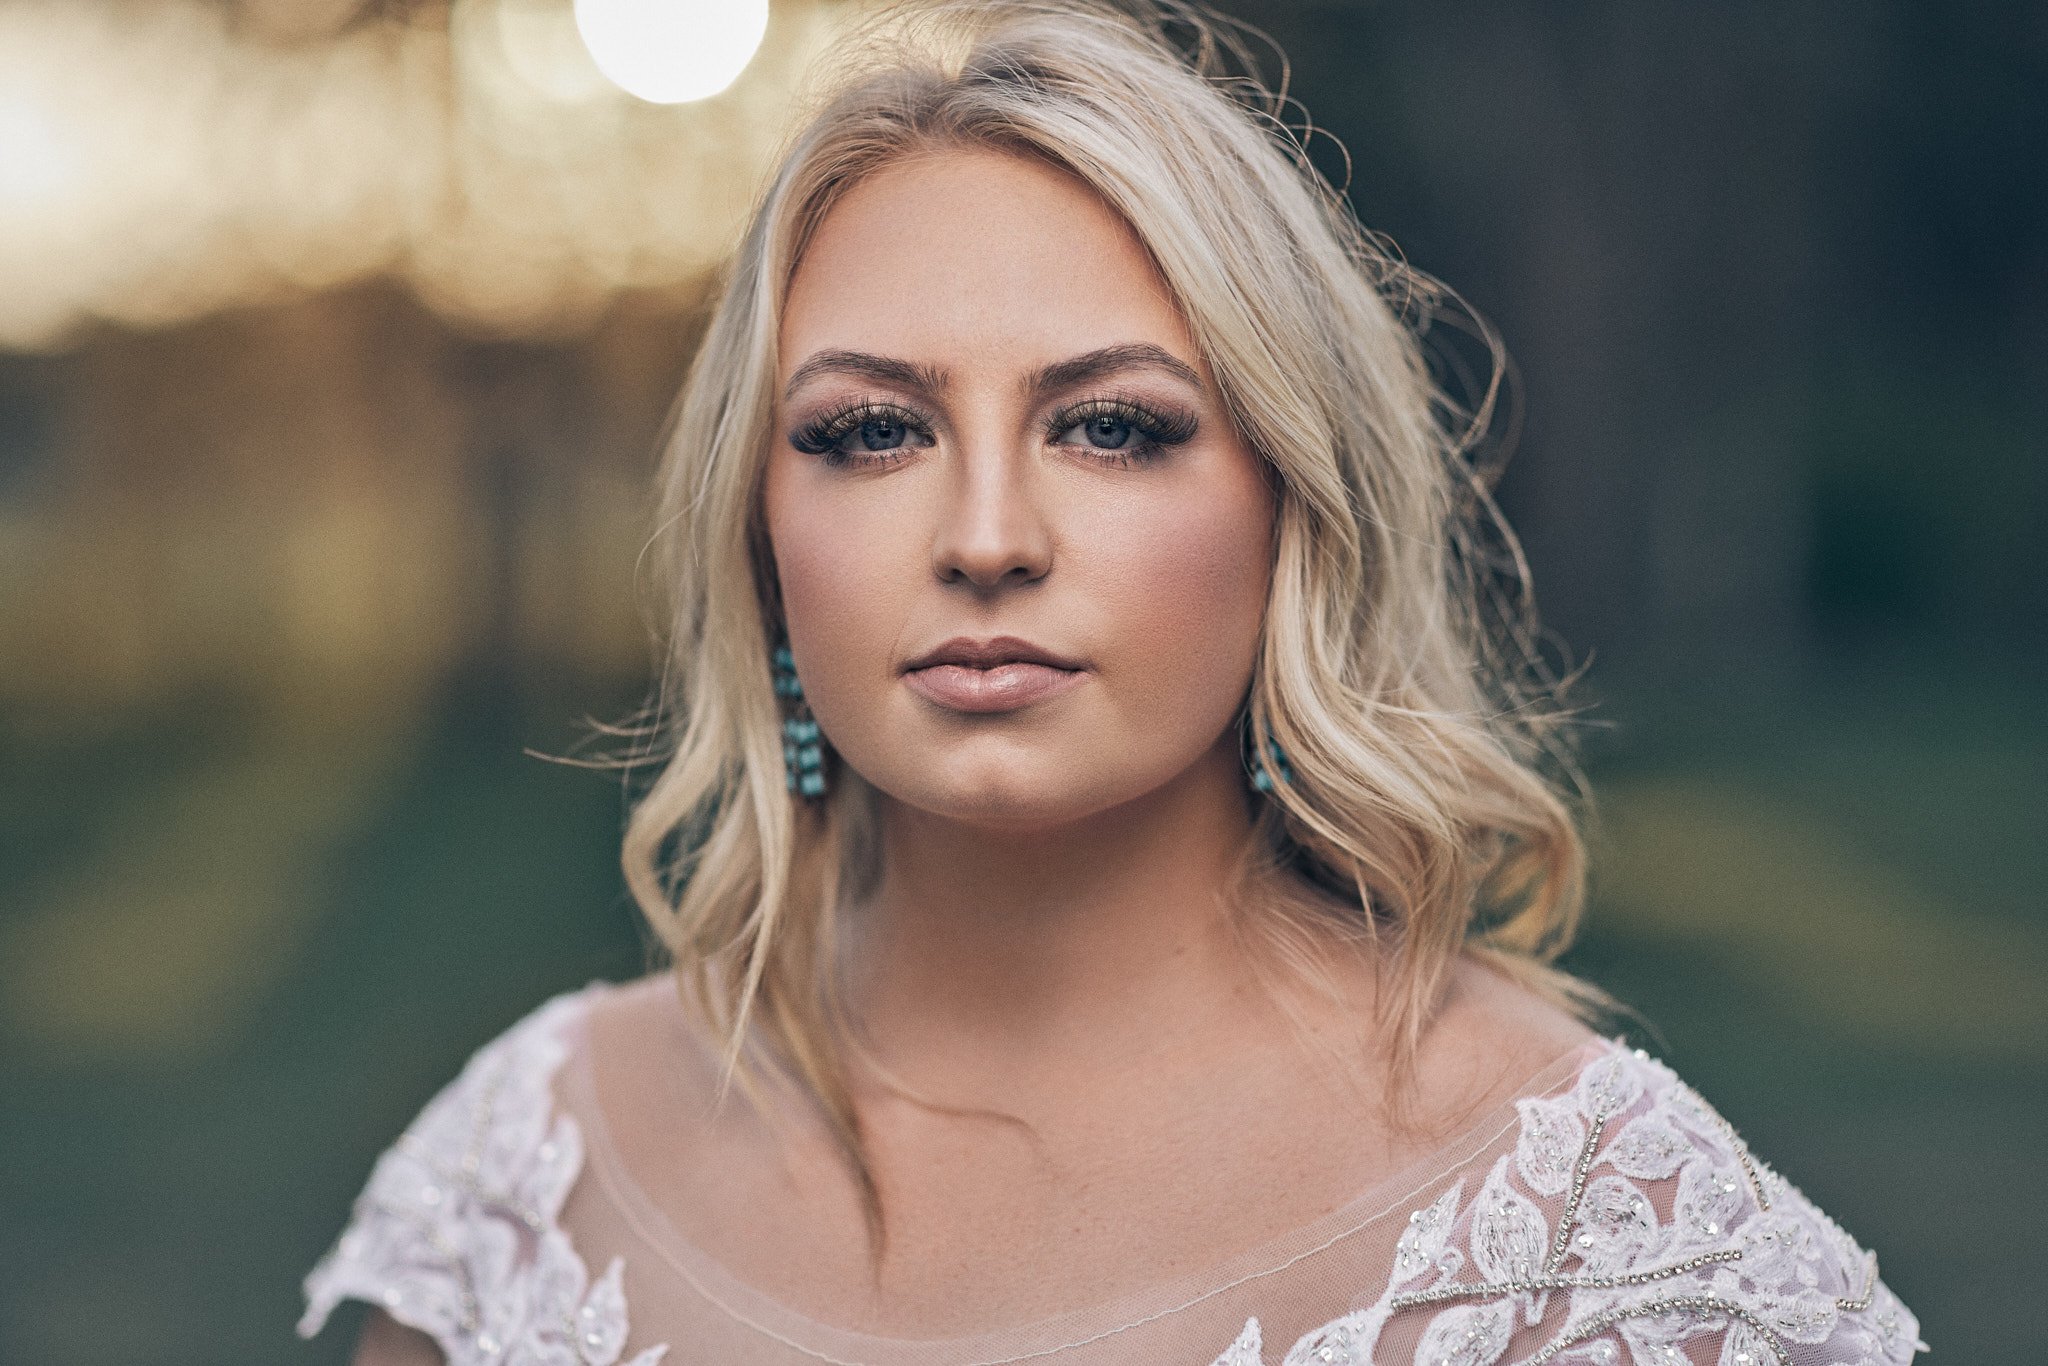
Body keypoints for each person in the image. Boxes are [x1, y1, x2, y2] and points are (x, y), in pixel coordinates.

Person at [297, 3, 1925, 1362]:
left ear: (1292, 504)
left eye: (1115, 425)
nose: (988, 536)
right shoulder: (523, 1182)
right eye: (874, 431)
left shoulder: (1607, 1241)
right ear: (756, 526)